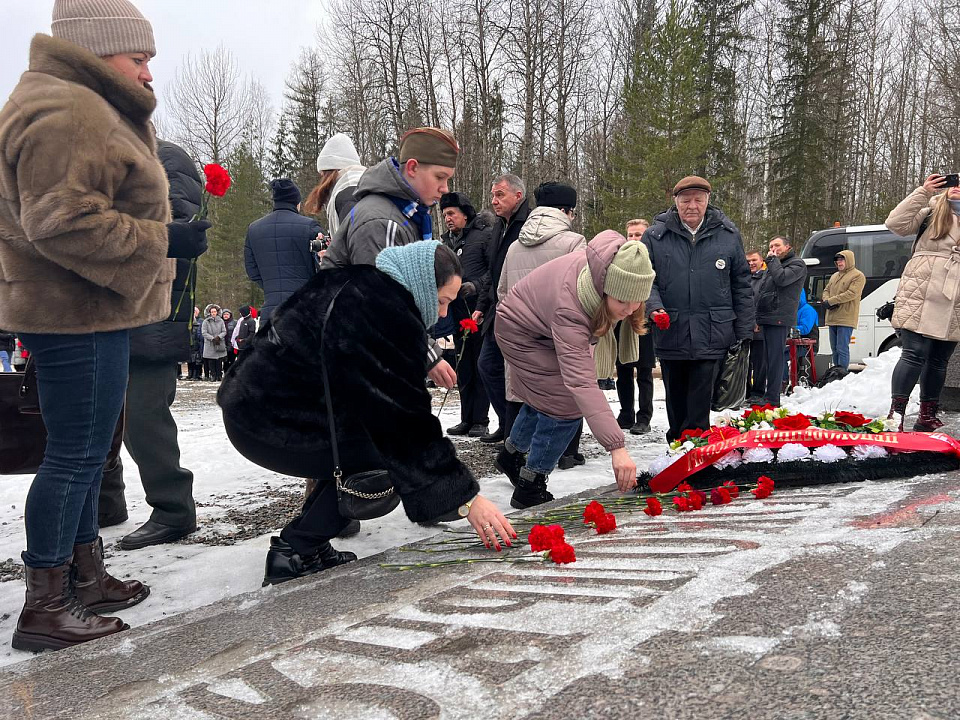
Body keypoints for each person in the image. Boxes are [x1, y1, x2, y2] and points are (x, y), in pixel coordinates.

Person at [0, 0, 181, 651]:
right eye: (138, 58)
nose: (147, 73)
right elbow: (60, 220)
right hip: (75, 310)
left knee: (85, 451)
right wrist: (156, 242)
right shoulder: (69, 111)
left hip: (82, 307)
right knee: (75, 454)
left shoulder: (68, 100)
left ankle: (83, 574)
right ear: (98, 51)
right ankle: (46, 607)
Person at [218, 241, 516, 586]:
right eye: (442, 301)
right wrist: (467, 498)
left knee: (365, 442)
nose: (443, 314)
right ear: (420, 283)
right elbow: (405, 424)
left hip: (260, 406)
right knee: (382, 457)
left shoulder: (360, 282)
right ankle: (296, 549)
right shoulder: (383, 310)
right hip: (271, 422)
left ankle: (309, 541)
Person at [98, 139, 208, 548]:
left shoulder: (166, 157)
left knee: (144, 419)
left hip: (154, 310)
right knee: (102, 417)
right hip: (113, 309)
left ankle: (174, 510)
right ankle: (106, 504)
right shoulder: (113, 155)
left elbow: (184, 228)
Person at [495, 231, 653, 508]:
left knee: (545, 397)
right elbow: (580, 383)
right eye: (622, 301)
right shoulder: (573, 306)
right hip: (520, 332)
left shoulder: (605, 269)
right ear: (606, 289)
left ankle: (511, 454)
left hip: (540, 327)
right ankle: (530, 486)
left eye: (636, 300)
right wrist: (617, 447)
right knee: (565, 408)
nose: (630, 309)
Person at [321, 127, 461, 393]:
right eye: (440, 177)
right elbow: (381, 303)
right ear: (412, 168)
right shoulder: (382, 221)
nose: (445, 189)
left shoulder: (403, 214)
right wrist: (428, 355)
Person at [642, 176, 754, 441]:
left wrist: (744, 329)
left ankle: (697, 448)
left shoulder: (727, 235)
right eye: (686, 200)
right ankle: (677, 447)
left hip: (713, 331)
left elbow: (741, 283)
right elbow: (647, 279)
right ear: (675, 202)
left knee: (701, 399)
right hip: (671, 329)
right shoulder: (655, 236)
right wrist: (654, 308)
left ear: (707, 201)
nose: (692, 206)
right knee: (676, 398)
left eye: (698, 200)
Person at [498, 181, 587, 468]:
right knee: (563, 405)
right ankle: (535, 476)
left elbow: (502, 293)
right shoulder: (574, 242)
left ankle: (512, 454)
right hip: (558, 338)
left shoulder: (514, 246)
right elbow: (582, 294)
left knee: (534, 400)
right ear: (566, 211)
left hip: (521, 341)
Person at [885, 173, 960, 430]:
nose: (957, 188)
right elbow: (895, 223)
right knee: (914, 353)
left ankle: (927, 415)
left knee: (940, 360)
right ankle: (896, 415)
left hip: (955, 296)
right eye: (955, 182)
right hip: (920, 290)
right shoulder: (931, 210)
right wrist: (924, 191)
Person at [475, 174, 532, 444]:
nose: (493, 200)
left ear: (518, 197)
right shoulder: (498, 226)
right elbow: (492, 270)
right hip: (496, 308)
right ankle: (507, 422)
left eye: (500, 195)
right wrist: (481, 306)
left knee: (517, 376)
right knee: (487, 365)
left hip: (522, 311)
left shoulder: (528, 225)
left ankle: (518, 431)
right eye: (493, 195)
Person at [440, 192, 493, 437]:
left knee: (478, 362)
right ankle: (466, 418)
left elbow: (493, 271)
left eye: (451, 213)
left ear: (465, 213)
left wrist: (475, 286)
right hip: (457, 311)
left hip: (479, 310)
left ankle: (481, 419)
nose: (447, 219)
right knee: (463, 364)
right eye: (444, 215)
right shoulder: (445, 242)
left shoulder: (483, 237)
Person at [244, 179, 322, 321]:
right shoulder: (309, 226)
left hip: (270, 310)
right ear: (297, 202)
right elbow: (324, 264)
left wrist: (271, 287)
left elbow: (252, 271)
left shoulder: (254, 229)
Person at [755, 236, 807, 406]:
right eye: (770, 246)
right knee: (766, 358)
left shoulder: (797, 264)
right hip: (767, 316)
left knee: (776, 358)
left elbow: (782, 279)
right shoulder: (774, 264)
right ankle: (765, 395)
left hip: (779, 316)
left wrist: (772, 260)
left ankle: (772, 399)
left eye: (777, 245)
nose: (773, 248)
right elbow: (763, 290)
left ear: (787, 247)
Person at [616, 218, 656, 435]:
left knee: (644, 372)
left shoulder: (653, 258)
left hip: (644, 321)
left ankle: (644, 417)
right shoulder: (620, 258)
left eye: (638, 234)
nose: (633, 239)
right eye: (630, 234)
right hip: (622, 321)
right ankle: (625, 414)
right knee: (623, 370)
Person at [304, 133, 366, 237]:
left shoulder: (348, 196)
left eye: (323, 173)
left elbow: (359, 245)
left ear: (329, 172)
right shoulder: (365, 186)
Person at [821, 250, 865, 372]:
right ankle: (836, 371)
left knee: (842, 348)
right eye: (837, 260)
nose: (839, 263)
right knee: (834, 348)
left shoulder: (858, 275)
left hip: (846, 317)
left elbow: (852, 293)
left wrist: (832, 301)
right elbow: (826, 290)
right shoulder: (834, 276)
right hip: (832, 317)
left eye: (842, 260)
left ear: (849, 260)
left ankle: (842, 373)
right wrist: (827, 300)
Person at [745, 250, 766, 403]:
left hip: (759, 327)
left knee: (759, 362)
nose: (751, 263)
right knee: (744, 362)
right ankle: (745, 391)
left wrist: (757, 321)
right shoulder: (744, 279)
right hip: (744, 327)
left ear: (761, 261)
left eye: (754, 260)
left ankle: (758, 392)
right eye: (748, 261)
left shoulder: (766, 278)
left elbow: (762, 302)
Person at [201, 304, 227, 381]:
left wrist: (219, 337)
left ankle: (219, 375)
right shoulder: (206, 321)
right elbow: (204, 332)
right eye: (212, 312)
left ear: (217, 312)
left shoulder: (221, 321)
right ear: (209, 312)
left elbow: (224, 331)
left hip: (219, 342)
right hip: (210, 343)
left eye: (215, 311)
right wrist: (212, 338)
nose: (213, 313)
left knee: (219, 360)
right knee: (211, 360)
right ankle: (213, 375)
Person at [188, 306, 204, 380]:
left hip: (198, 343)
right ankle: (190, 374)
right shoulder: (189, 320)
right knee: (190, 359)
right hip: (190, 342)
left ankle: (197, 374)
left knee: (197, 360)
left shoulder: (201, 321)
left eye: (195, 311)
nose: (194, 313)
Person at [221, 309, 237, 374]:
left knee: (232, 360)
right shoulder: (220, 322)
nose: (226, 316)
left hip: (231, 344)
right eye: (224, 314)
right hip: (222, 344)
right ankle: (225, 373)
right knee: (225, 361)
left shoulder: (234, 322)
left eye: (227, 314)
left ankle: (231, 374)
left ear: (230, 315)